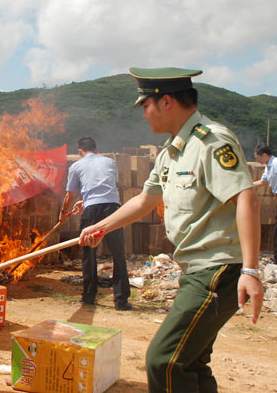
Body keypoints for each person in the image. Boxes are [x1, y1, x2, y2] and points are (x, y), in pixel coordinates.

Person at [78, 67, 264, 392]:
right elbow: (144, 202)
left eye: (145, 106)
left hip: (217, 269)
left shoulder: (211, 141)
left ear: (166, 102)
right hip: (195, 270)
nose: (144, 114)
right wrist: (101, 227)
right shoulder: (171, 151)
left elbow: (246, 199)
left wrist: (250, 269)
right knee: (191, 363)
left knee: (163, 360)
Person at [59, 136, 132, 311]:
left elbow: (69, 195)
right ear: (96, 148)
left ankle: (89, 297)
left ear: (79, 151)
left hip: (92, 211)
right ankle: (121, 300)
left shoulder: (76, 166)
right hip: (113, 208)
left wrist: (63, 214)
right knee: (118, 253)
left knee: (88, 253)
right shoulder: (110, 162)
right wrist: (85, 201)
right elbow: (106, 188)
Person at [253, 143, 277, 264]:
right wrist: (247, 186)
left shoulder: (276, 164)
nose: (257, 159)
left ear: (265, 155)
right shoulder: (268, 166)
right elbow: (262, 182)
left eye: (258, 157)